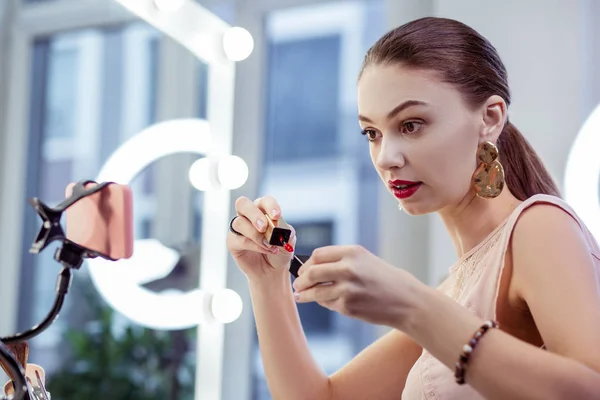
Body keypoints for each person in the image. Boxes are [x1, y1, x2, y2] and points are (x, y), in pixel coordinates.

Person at [226, 17, 600, 400]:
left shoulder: (539, 227)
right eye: (372, 133)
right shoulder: (451, 292)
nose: (386, 157)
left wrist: (411, 306)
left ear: (490, 118)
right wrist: (268, 280)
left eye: (411, 125)